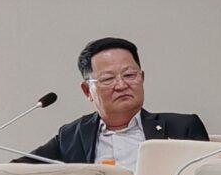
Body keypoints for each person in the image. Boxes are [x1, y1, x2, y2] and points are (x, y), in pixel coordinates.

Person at [33, 36, 210, 167]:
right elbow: (22, 172)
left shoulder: (182, 128)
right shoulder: (71, 135)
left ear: (142, 78)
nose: (121, 85)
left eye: (129, 75)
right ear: (87, 91)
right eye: (108, 79)